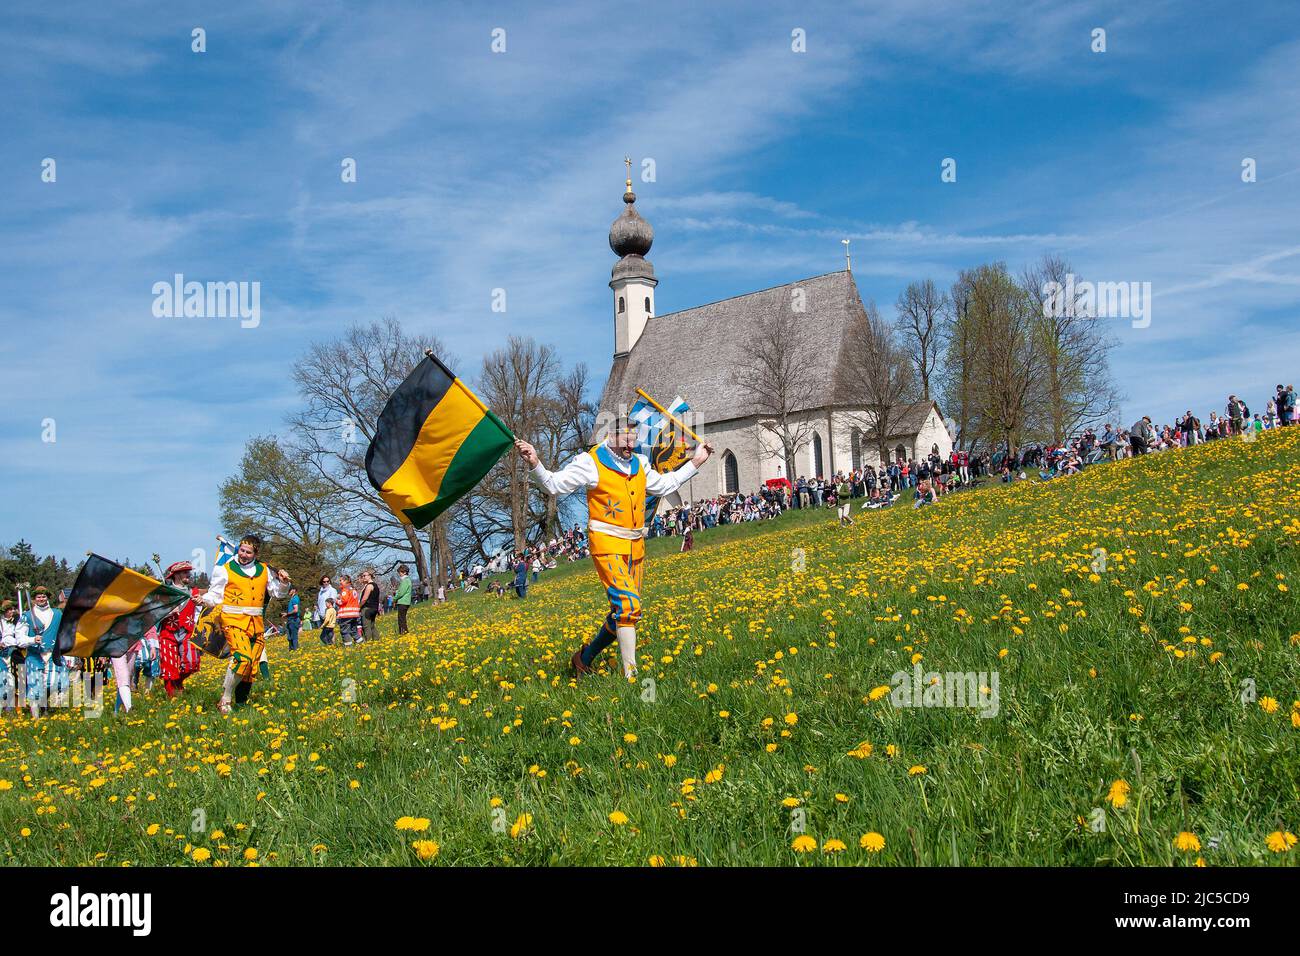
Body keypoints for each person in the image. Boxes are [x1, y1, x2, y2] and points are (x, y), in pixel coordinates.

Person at [515, 417, 711, 679]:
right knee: (629, 606)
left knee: (622, 611)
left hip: (636, 547)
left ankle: (583, 659)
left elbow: (664, 485)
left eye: (634, 439)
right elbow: (554, 485)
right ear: (612, 436)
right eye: (626, 439)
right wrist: (535, 462)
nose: (631, 445)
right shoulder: (590, 462)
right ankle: (632, 678)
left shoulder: (640, 464)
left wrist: (695, 462)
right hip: (606, 543)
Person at [199, 534, 291, 714]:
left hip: (256, 624)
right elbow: (215, 595)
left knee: (251, 667)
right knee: (242, 658)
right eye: (242, 550)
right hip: (233, 621)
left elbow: (277, 594)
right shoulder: (225, 569)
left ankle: (241, 705)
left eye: (248, 552)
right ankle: (225, 699)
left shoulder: (263, 570)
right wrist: (203, 600)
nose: (244, 554)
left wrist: (284, 583)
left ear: (255, 553)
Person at [156, 561, 202, 699]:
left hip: (187, 631)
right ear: (175, 575)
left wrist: (201, 601)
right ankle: (172, 698)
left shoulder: (194, 592)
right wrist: (168, 611)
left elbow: (203, 609)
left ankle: (178, 682)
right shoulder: (165, 592)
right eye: (184, 572)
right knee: (169, 668)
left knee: (192, 663)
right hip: (168, 632)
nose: (188, 574)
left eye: (189, 572)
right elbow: (154, 613)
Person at [336, 575, 361, 646]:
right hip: (354, 614)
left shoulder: (345, 590)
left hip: (346, 615)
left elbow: (344, 601)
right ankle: (361, 643)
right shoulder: (353, 589)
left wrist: (337, 601)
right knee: (354, 631)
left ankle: (348, 646)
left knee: (344, 631)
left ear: (346, 581)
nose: (340, 582)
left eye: (341, 580)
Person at [358, 570, 379, 643]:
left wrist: (358, 607)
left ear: (370, 576)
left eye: (364, 575)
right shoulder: (374, 585)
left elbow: (364, 599)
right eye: (362, 576)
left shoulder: (369, 585)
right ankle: (376, 641)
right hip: (374, 608)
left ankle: (368, 642)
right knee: (372, 626)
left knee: (366, 626)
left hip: (367, 609)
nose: (363, 577)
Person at [395, 564, 412, 635]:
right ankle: (404, 632)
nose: (399, 574)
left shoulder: (405, 581)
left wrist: (395, 598)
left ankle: (403, 633)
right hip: (406, 602)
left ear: (404, 572)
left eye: (400, 572)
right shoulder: (407, 580)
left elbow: (401, 592)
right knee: (403, 618)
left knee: (401, 619)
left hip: (403, 602)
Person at [284, 586, 301, 651]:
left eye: (289, 590)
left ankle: (295, 650)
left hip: (293, 619)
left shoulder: (295, 598)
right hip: (290, 619)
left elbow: (296, 610)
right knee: (289, 636)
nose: (288, 592)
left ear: (294, 590)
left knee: (294, 636)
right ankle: (291, 650)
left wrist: (287, 614)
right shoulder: (292, 599)